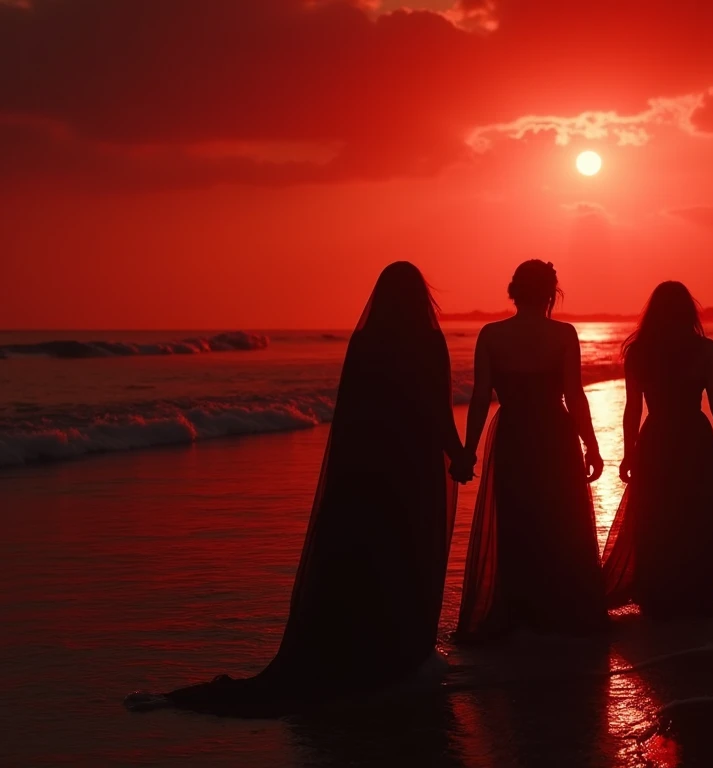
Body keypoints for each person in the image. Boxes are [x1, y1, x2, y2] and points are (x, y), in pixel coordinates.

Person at [126, 262, 466, 716]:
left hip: (366, 469)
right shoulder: (429, 341)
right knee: (405, 552)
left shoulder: (365, 342)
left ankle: (356, 645)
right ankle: (397, 648)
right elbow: (439, 409)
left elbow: (349, 415)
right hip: (413, 467)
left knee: (363, 557)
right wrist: (458, 456)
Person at [456, 260, 607, 639]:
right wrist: (591, 444)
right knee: (558, 521)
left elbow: (479, 398)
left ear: (513, 291)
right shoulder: (563, 334)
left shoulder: (491, 335)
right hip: (554, 436)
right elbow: (574, 396)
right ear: (550, 292)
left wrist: (468, 449)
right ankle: (556, 612)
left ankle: (522, 615)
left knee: (517, 520)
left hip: (514, 436)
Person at [602, 281, 713, 617]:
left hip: (657, 437)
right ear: (688, 312)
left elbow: (633, 408)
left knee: (657, 514)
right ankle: (695, 590)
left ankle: (659, 590)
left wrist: (629, 451)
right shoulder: (704, 349)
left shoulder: (639, 352)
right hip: (694, 436)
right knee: (695, 514)